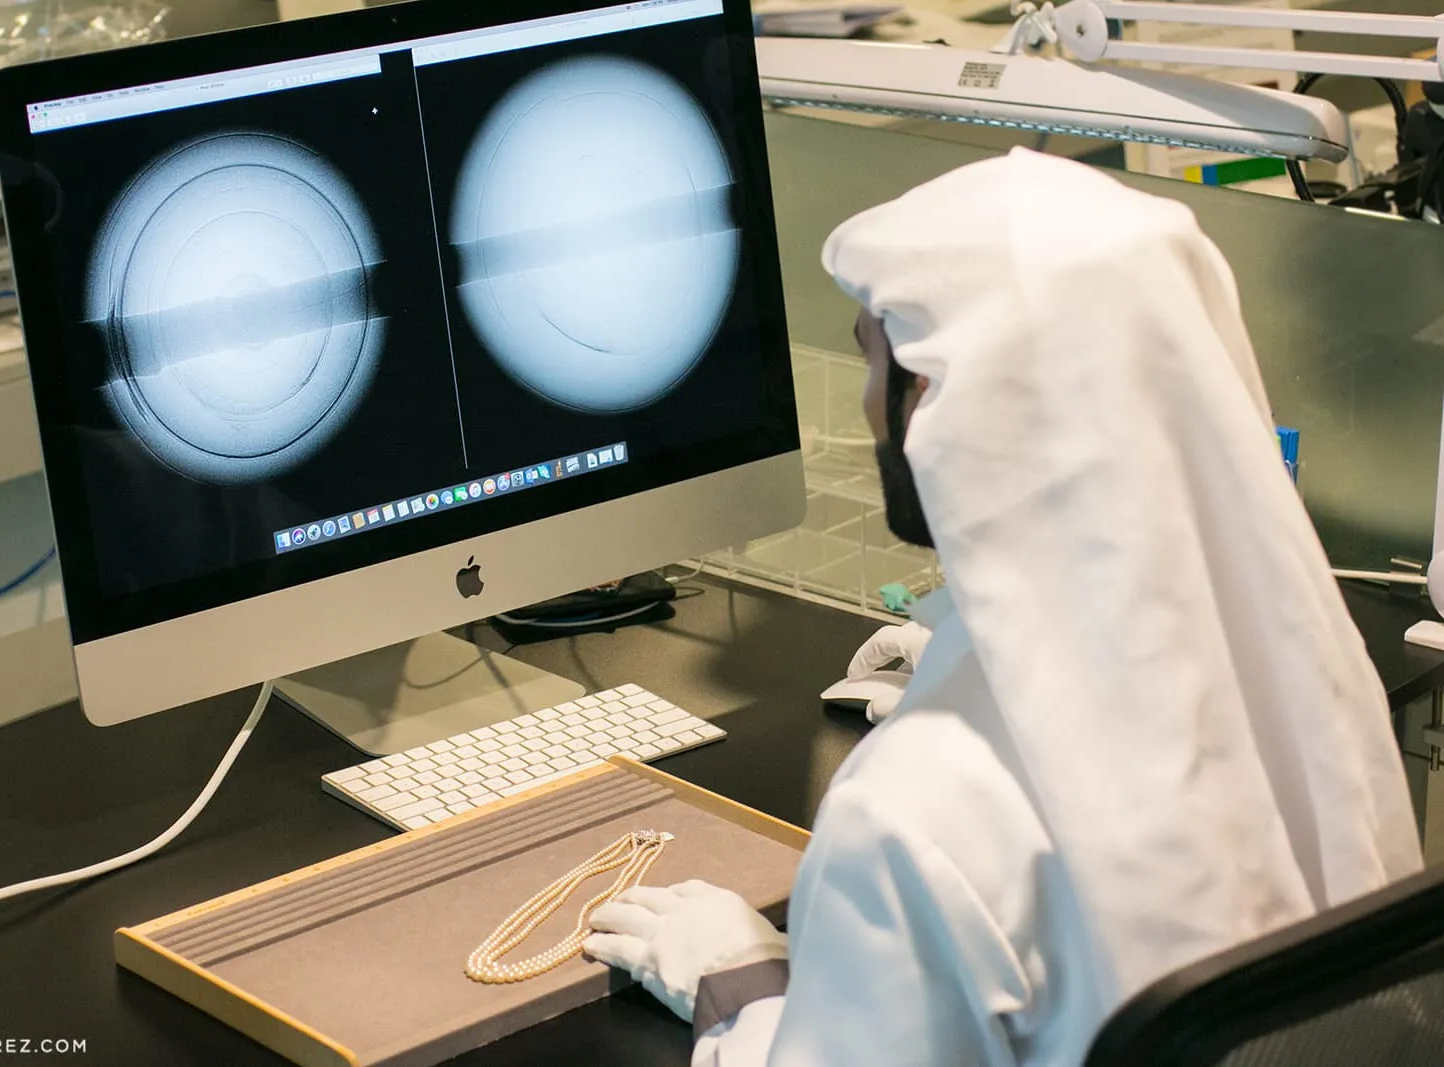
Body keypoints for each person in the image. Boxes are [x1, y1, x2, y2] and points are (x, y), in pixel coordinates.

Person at [581, 148, 1423, 1066]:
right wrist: (959, 659)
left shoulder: (908, 816)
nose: (867, 404)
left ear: (937, 397)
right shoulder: (1315, 672)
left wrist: (736, 990)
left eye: (872, 356)